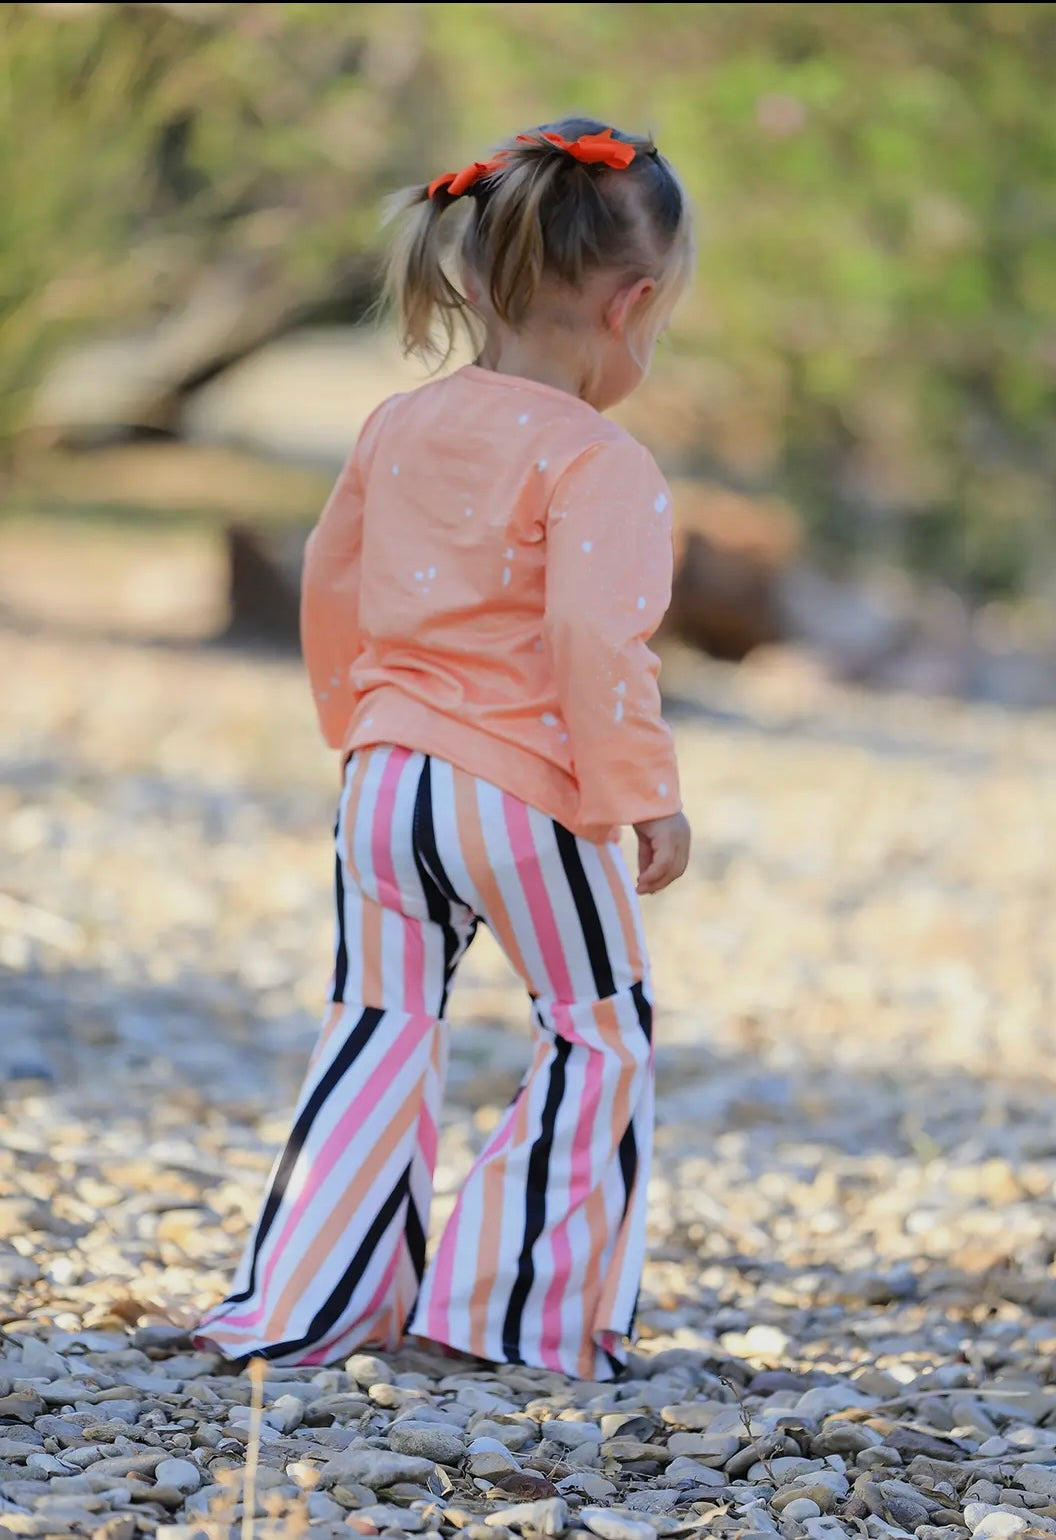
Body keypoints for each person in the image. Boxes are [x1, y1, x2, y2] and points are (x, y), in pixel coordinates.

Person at [195, 118, 694, 1381]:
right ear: (634, 305)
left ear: (473, 275)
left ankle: (303, 1306)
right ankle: (508, 1313)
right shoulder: (603, 460)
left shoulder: (397, 423)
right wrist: (642, 795)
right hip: (521, 795)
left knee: (376, 1020)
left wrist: (356, 732)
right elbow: (595, 638)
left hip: (384, 781)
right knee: (599, 1028)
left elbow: (331, 582)